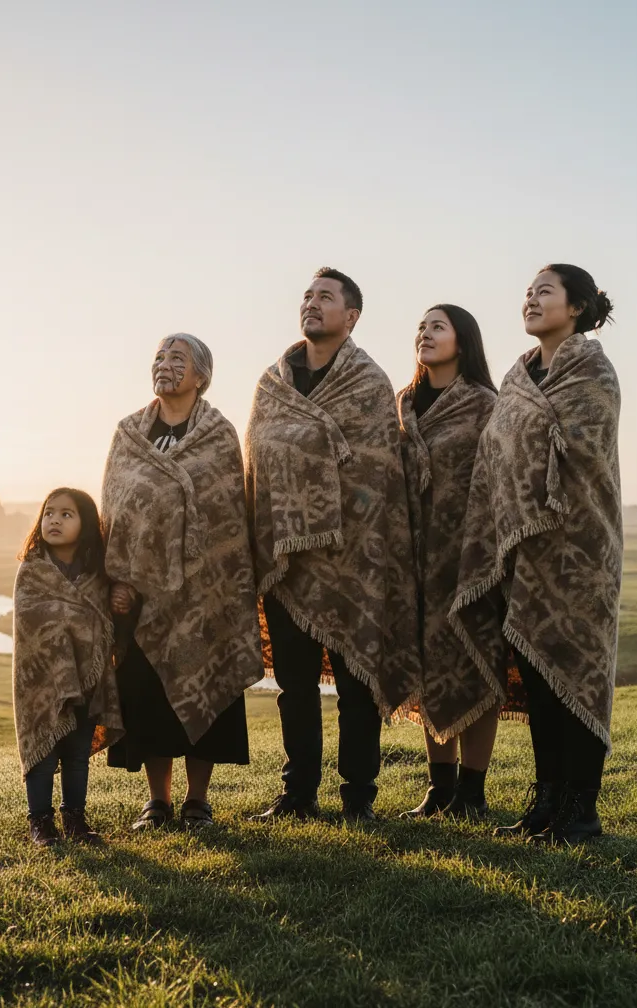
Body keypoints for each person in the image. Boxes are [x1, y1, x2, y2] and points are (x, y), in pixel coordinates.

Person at [451, 264, 621, 844]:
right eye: (527, 293)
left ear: (575, 308)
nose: (530, 300)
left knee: (578, 673)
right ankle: (546, 800)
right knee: (541, 679)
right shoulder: (518, 376)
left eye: (543, 292)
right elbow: (498, 457)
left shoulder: (592, 368)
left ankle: (582, 808)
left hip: (577, 548)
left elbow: (583, 448)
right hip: (522, 551)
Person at [245, 267, 418, 822]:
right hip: (285, 560)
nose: (312, 304)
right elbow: (258, 463)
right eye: (307, 297)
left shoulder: (368, 382)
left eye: (325, 297)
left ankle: (358, 798)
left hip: (352, 557)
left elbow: (377, 470)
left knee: (356, 685)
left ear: (352, 316)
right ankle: (297, 795)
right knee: (293, 689)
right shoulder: (273, 384)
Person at [104, 333, 263, 829]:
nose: (165, 364)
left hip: (204, 590)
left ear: (202, 376)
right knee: (149, 695)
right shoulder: (129, 434)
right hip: (144, 595)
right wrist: (119, 577)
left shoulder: (218, 435)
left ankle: (197, 799)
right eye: (158, 357)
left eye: (178, 358)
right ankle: (158, 801)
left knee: (207, 687)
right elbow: (113, 507)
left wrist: (212, 576)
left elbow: (228, 514)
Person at [396, 305, 506, 819]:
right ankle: (439, 790)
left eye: (437, 326)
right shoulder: (403, 405)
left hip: (471, 557)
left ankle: (472, 793)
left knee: (477, 669)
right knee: (429, 669)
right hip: (414, 560)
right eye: (421, 326)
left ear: (463, 340)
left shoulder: (485, 405)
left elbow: (501, 479)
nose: (425, 333)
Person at [12, 488, 124, 847]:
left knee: (77, 754)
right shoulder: (32, 571)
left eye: (66, 514)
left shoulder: (96, 574)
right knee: (43, 753)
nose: (54, 520)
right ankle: (40, 823)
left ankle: (75, 819)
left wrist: (122, 599)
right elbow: (32, 620)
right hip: (42, 682)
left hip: (88, 678)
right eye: (49, 513)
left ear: (86, 524)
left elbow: (106, 619)